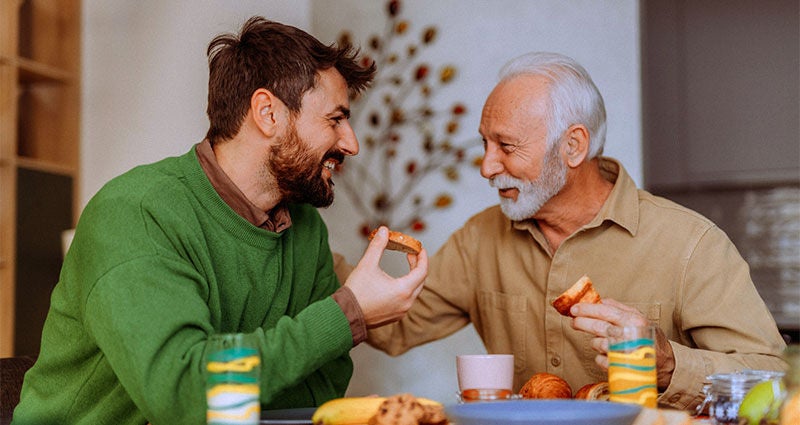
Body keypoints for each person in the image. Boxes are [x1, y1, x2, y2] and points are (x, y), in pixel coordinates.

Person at [13, 17, 428, 425]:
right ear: (268, 113)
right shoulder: (136, 213)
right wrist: (346, 313)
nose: (351, 143)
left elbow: (319, 386)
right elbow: (181, 394)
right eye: (335, 120)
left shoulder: (306, 231)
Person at [362, 51, 787, 410]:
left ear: (573, 146)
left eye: (506, 147)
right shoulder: (480, 238)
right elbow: (391, 322)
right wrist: (306, 242)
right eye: (485, 145)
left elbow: (773, 380)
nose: (487, 167)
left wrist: (669, 363)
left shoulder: (691, 244)